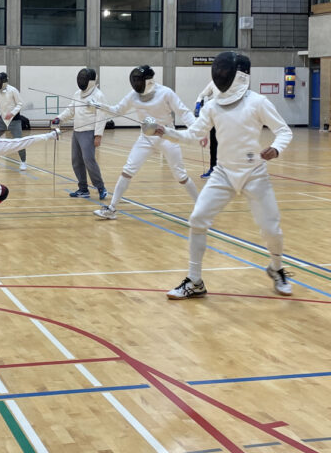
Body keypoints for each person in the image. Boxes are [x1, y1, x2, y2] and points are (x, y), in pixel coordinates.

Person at [146, 53, 294, 299]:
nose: (221, 75)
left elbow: (283, 131)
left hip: (254, 173)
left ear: (239, 74)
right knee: (197, 218)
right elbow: (193, 134)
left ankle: (277, 268)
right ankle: (195, 282)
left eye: (226, 71)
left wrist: (276, 148)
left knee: (271, 230)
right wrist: (165, 131)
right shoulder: (213, 105)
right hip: (223, 173)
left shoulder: (258, 102)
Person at [94, 65, 203, 220]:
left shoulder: (165, 93)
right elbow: (118, 109)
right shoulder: (133, 95)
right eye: (135, 80)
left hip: (167, 136)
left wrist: (196, 130)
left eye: (139, 80)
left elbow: (183, 113)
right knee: (127, 170)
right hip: (145, 138)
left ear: (148, 81)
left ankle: (201, 207)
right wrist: (101, 107)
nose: (136, 83)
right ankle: (111, 209)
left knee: (181, 176)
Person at [53, 67, 108, 200]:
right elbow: (71, 110)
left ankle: (101, 187)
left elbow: (102, 115)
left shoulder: (98, 95)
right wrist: (59, 118)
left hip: (89, 132)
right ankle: (83, 189)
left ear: (90, 81)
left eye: (83, 79)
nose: (81, 81)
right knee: (76, 161)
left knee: (89, 160)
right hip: (77, 131)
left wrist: (98, 135)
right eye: (80, 79)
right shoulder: (77, 94)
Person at [0, 72, 28, 171]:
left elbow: (20, 104)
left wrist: (12, 113)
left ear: (3, 81)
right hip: (2, 120)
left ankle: (23, 162)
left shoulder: (13, 90)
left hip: (14, 120)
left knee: (19, 141)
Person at [196, 79, 218, 178]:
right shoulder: (214, 82)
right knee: (214, 145)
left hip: (230, 119)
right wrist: (198, 104)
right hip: (215, 118)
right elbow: (202, 95)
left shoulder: (235, 83)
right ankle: (213, 168)